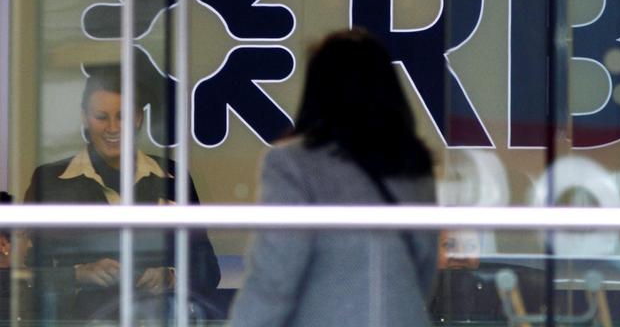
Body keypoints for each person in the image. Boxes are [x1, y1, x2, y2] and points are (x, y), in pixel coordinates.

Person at [229, 29, 437, 327]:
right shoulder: (413, 163)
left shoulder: (292, 163)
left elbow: (275, 276)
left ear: (317, 91)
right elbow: (424, 269)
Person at [24, 65, 220, 321]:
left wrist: (171, 276)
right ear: (84, 118)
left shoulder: (173, 177)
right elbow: (24, 273)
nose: (112, 127)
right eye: (101, 117)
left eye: (122, 116)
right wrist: (79, 274)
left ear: (138, 118)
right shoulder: (50, 181)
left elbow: (208, 270)